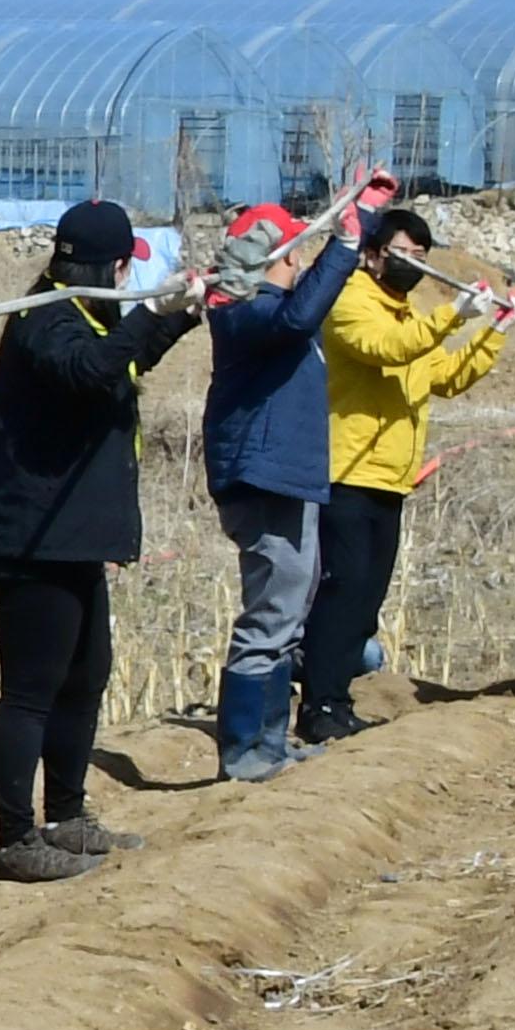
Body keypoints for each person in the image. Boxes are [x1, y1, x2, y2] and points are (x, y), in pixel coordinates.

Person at [0, 197, 204, 881]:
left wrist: (182, 316)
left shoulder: (84, 311)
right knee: (31, 689)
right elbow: (91, 370)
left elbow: (120, 365)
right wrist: (151, 317)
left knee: (85, 674)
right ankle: (16, 838)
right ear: (118, 263)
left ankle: (66, 815)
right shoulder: (47, 317)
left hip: (71, 536)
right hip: (32, 537)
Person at [304, 206, 515, 743]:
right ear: (374, 254)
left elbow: (442, 376)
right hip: (348, 470)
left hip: (393, 475)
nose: (413, 266)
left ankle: (337, 697)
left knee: (367, 597)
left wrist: (493, 331)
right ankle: (318, 704)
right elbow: (385, 349)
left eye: (421, 258)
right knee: (343, 590)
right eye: (403, 254)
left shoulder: (409, 313)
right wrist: (453, 315)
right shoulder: (350, 301)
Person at [196, 175, 386, 783]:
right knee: (271, 611)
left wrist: (363, 223)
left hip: (291, 478)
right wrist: (347, 244)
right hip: (265, 478)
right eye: (294, 252)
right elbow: (301, 317)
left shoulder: (264, 310)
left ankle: (269, 742)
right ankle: (244, 747)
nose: (300, 262)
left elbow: (304, 308)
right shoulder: (243, 313)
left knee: (289, 610)